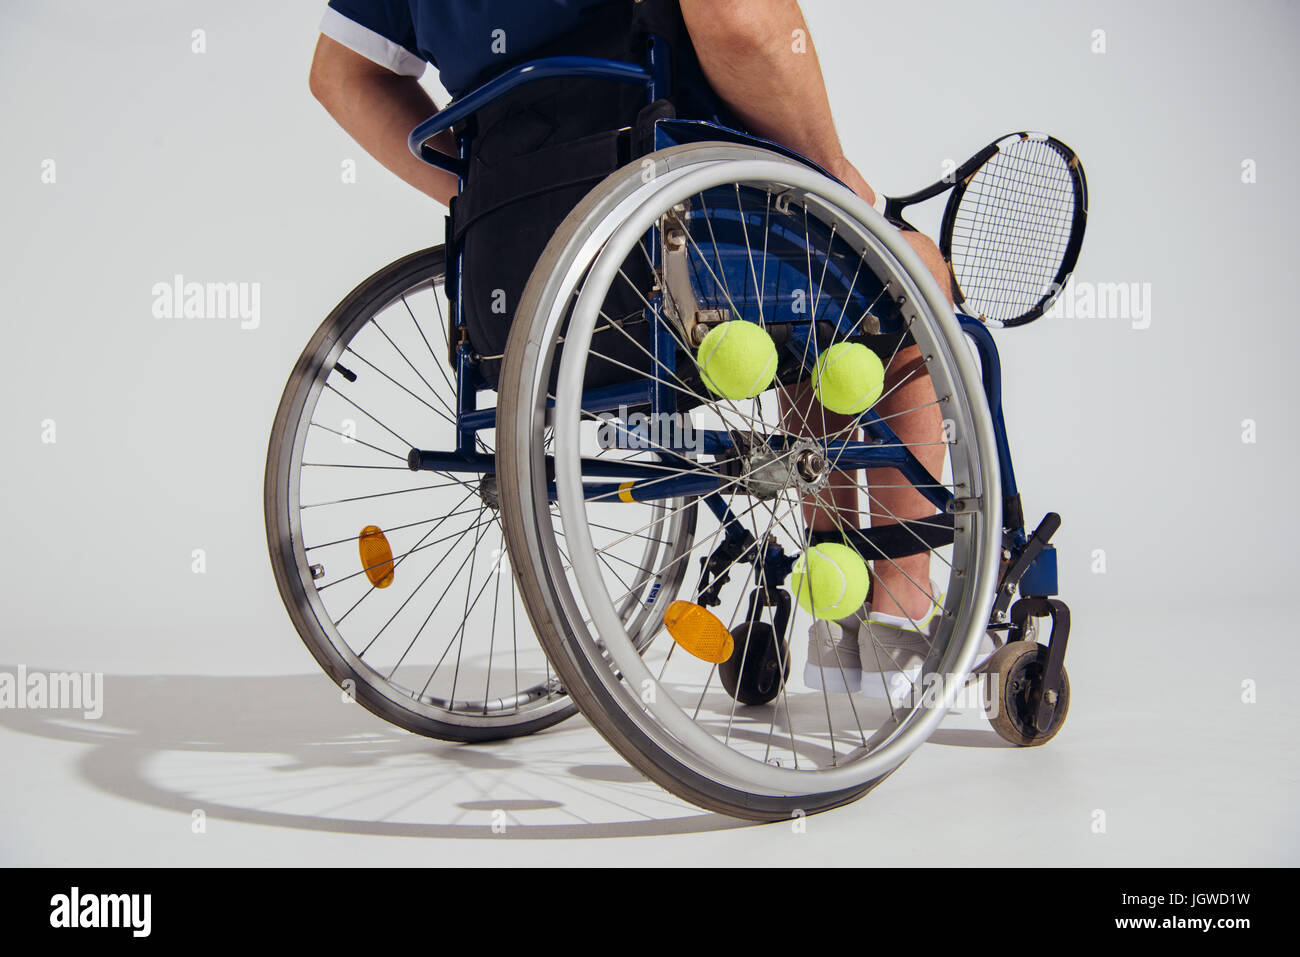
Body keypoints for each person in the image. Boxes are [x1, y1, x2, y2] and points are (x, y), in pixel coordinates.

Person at [309, 0, 951, 699]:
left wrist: (476, 196)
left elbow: (340, 75)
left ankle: (837, 622)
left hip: (518, 280)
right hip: (672, 236)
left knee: (805, 291)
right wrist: (842, 187)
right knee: (896, 278)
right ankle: (896, 623)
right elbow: (738, 20)